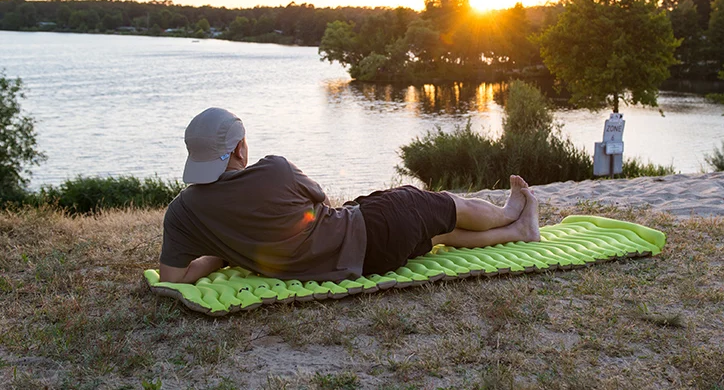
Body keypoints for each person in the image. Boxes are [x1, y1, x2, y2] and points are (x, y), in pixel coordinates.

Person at [158, 107, 541, 284]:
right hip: (372, 234)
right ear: (240, 148)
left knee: (436, 234)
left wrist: (225, 251)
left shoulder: (182, 212)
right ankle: (509, 213)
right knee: (443, 204)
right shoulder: (273, 169)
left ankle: (520, 232)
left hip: (373, 261)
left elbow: (174, 277)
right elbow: (322, 203)